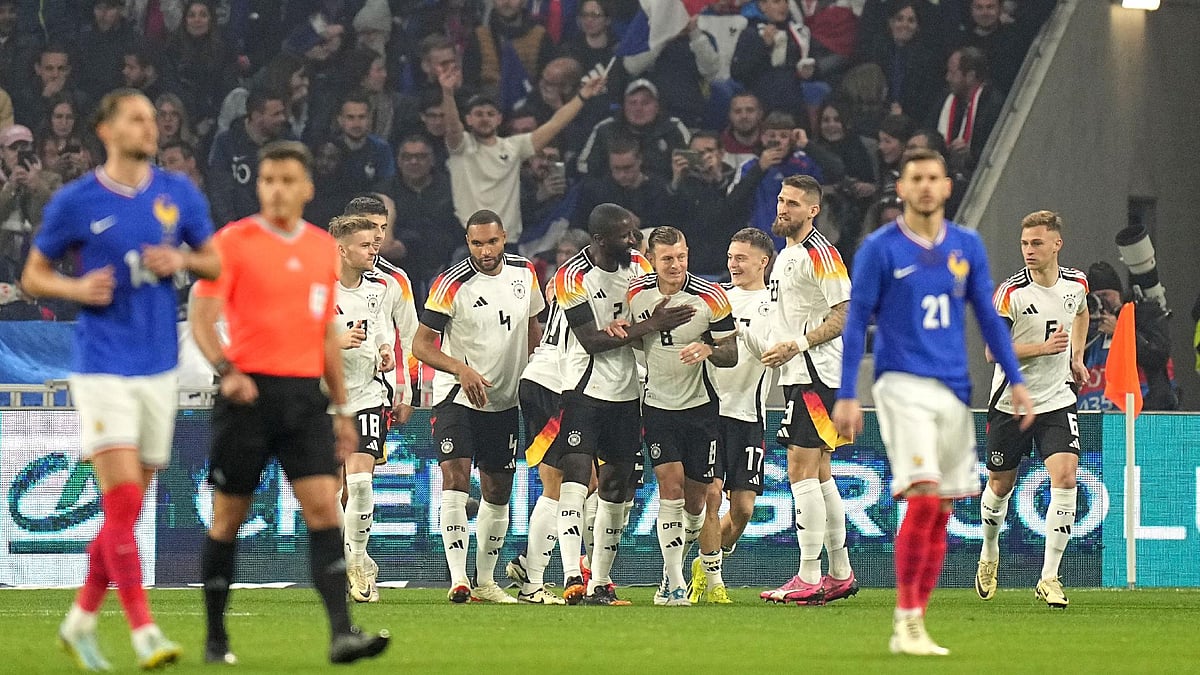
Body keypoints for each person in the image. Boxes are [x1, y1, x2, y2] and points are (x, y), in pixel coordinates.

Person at [21, 88, 219, 670]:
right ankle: (144, 632)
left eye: (153, 118)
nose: (149, 127)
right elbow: (35, 275)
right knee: (125, 496)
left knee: (123, 516)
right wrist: (76, 289)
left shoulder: (177, 192)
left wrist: (182, 260)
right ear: (105, 129)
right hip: (102, 363)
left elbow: (216, 262)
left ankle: (80, 621)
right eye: (136, 118)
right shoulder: (76, 200)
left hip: (160, 365)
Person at [189, 140, 390, 665]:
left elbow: (324, 332)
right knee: (229, 517)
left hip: (305, 398)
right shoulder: (231, 243)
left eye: (286, 181)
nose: (276, 190)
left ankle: (342, 633)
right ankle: (215, 637)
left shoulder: (323, 248)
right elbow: (202, 316)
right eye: (268, 180)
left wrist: (342, 409)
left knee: (325, 508)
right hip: (247, 393)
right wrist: (227, 371)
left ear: (307, 189)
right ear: (260, 186)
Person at [832, 148, 1035, 656]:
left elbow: (989, 319)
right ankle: (905, 618)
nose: (924, 186)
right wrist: (847, 393)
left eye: (933, 178)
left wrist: (1016, 379)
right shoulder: (880, 248)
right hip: (901, 385)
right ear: (900, 188)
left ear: (947, 187)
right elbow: (857, 321)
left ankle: (916, 620)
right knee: (923, 496)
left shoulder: (966, 245)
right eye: (915, 178)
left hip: (954, 391)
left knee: (942, 508)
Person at [555, 203, 693, 605]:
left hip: (629, 393)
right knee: (576, 478)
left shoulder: (638, 267)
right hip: (583, 389)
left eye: (635, 232)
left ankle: (600, 581)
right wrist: (647, 327)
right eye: (626, 234)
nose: (635, 240)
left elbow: (653, 311)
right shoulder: (571, 276)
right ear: (600, 240)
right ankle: (570, 576)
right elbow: (592, 341)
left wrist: (634, 328)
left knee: (617, 487)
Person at [411, 208, 545, 604]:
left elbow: (534, 324)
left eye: (492, 242)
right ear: (467, 242)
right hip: (456, 395)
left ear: (504, 238)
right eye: (476, 243)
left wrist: (533, 371)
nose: (485, 251)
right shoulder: (451, 283)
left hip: (503, 399)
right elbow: (420, 345)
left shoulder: (525, 273)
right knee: (455, 478)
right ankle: (458, 580)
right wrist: (460, 369)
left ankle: (485, 581)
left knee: (498, 490)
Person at [752, 174, 858, 606]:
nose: (783, 208)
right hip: (801, 374)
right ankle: (840, 572)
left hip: (815, 374)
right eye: (780, 200)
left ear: (812, 210)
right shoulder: (786, 256)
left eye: (793, 203)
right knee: (819, 473)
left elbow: (845, 314)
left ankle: (808, 576)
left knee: (801, 471)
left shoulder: (821, 254)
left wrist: (796, 344)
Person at [975, 210, 1088, 609]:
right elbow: (993, 351)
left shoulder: (1076, 283)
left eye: (1037, 243)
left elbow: (1081, 311)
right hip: (1010, 403)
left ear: (1056, 243)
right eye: (1024, 243)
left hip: (1057, 398)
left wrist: (1075, 356)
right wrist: (1043, 348)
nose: (1029, 250)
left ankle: (1049, 577)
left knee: (1066, 476)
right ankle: (990, 550)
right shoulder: (1010, 293)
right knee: (1001, 485)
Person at [630, 226, 738, 607]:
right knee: (669, 488)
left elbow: (731, 353)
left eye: (681, 257)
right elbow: (622, 334)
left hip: (701, 409)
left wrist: (707, 347)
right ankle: (672, 581)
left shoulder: (711, 296)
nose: (675, 265)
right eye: (667, 259)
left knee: (697, 504)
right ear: (651, 258)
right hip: (657, 406)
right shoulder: (635, 294)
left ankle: (679, 563)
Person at [690, 227, 776, 604]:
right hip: (711, 411)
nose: (733, 264)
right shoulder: (717, 299)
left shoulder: (777, 305)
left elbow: (774, 352)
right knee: (711, 495)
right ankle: (713, 581)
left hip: (749, 414)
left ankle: (707, 560)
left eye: (741, 257)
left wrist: (741, 334)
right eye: (730, 257)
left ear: (763, 261)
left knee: (742, 509)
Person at [326, 213, 407, 604]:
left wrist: (384, 350)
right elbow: (289, 342)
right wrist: (334, 343)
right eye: (365, 245)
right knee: (329, 493)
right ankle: (350, 559)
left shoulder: (381, 288)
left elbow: (379, 330)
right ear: (341, 249)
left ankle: (355, 564)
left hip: (367, 395)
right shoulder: (315, 290)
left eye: (375, 244)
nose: (373, 251)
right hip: (322, 402)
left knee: (360, 482)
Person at [440, 57, 606, 243]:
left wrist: (582, 96)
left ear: (499, 119)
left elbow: (555, 123)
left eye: (490, 114)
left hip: (508, 243)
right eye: (478, 114)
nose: (485, 119)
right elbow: (452, 127)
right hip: (470, 244)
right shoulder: (461, 146)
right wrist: (447, 93)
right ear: (468, 120)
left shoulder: (514, 147)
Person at [207, 87, 290, 226]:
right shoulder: (227, 143)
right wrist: (236, 230)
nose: (283, 118)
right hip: (237, 231)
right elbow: (220, 193)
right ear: (257, 116)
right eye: (276, 114)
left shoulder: (288, 143)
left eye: (283, 113)